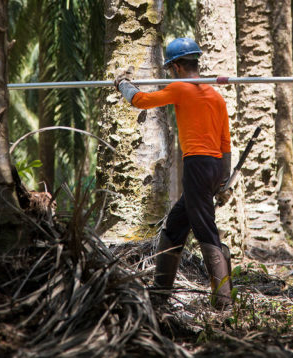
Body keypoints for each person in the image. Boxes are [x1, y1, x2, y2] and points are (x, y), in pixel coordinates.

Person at [114, 37, 234, 309]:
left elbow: (141, 101)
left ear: (178, 67)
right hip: (215, 166)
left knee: (206, 231)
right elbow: (226, 142)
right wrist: (224, 180)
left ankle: (225, 304)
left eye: (170, 69)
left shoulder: (180, 88)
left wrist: (123, 85)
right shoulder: (216, 96)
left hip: (197, 165)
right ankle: (159, 295)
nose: (170, 73)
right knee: (175, 225)